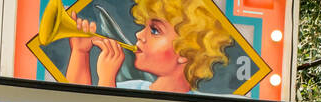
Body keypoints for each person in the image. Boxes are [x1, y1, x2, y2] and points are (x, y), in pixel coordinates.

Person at [65, 0, 233, 92]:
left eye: (154, 30)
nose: (139, 35)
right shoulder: (131, 88)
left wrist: (107, 82)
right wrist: (80, 53)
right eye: (144, 26)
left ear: (186, 51)